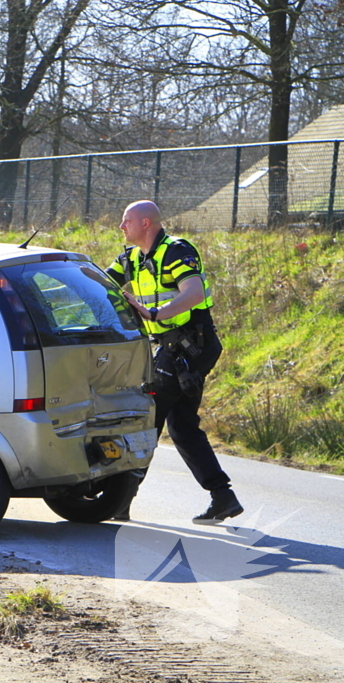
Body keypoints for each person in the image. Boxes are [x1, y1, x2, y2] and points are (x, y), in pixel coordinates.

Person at [106, 200, 243, 525]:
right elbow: (102, 283)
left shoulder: (175, 251)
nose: (121, 227)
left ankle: (119, 502)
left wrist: (154, 314)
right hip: (172, 349)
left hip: (190, 347)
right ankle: (223, 498)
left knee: (146, 421)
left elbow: (193, 292)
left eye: (126, 221)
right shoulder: (132, 259)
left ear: (145, 223)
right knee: (182, 427)